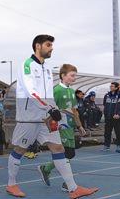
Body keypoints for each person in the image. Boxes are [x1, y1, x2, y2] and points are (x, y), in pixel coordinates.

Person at [6, 35, 98, 199]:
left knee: (58, 148)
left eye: (52, 45)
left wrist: (53, 110)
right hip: (29, 118)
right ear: (38, 46)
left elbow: (47, 94)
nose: (51, 48)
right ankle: (11, 184)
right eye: (48, 45)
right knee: (20, 150)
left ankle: (73, 188)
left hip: (46, 118)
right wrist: (49, 108)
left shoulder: (47, 68)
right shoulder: (27, 65)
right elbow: (30, 91)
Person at [37, 64, 89, 192]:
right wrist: (50, 125)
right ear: (63, 76)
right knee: (66, 153)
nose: (74, 78)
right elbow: (48, 109)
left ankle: (46, 168)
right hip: (60, 127)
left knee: (69, 153)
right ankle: (68, 183)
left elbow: (74, 110)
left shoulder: (71, 91)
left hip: (69, 126)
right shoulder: (56, 91)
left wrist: (79, 125)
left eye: (75, 75)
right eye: (72, 75)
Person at [102, 82, 119, 151]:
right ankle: (106, 146)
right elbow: (104, 104)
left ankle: (119, 146)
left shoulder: (119, 95)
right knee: (107, 133)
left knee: (118, 132)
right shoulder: (107, 95)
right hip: (108, 117)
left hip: (116, 117)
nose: (110, 87)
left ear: (116, 87)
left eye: (112, 86)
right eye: (110, 86)